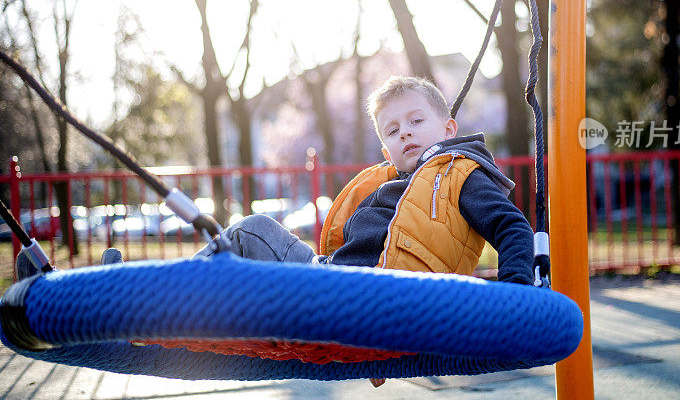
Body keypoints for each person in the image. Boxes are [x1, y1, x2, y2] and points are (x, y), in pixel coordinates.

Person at [195, 76, 535, 286]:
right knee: (251, 240)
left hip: (368, 292)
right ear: (387, 152)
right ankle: (187, 301)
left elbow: (512, 227)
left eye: (416, 120)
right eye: (393, 130)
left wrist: (516, 291)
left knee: (252, 230)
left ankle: (171, 292)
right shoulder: (398, 184)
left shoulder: (458, 175)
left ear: (448, 130)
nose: (405, 131)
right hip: (335, 276)